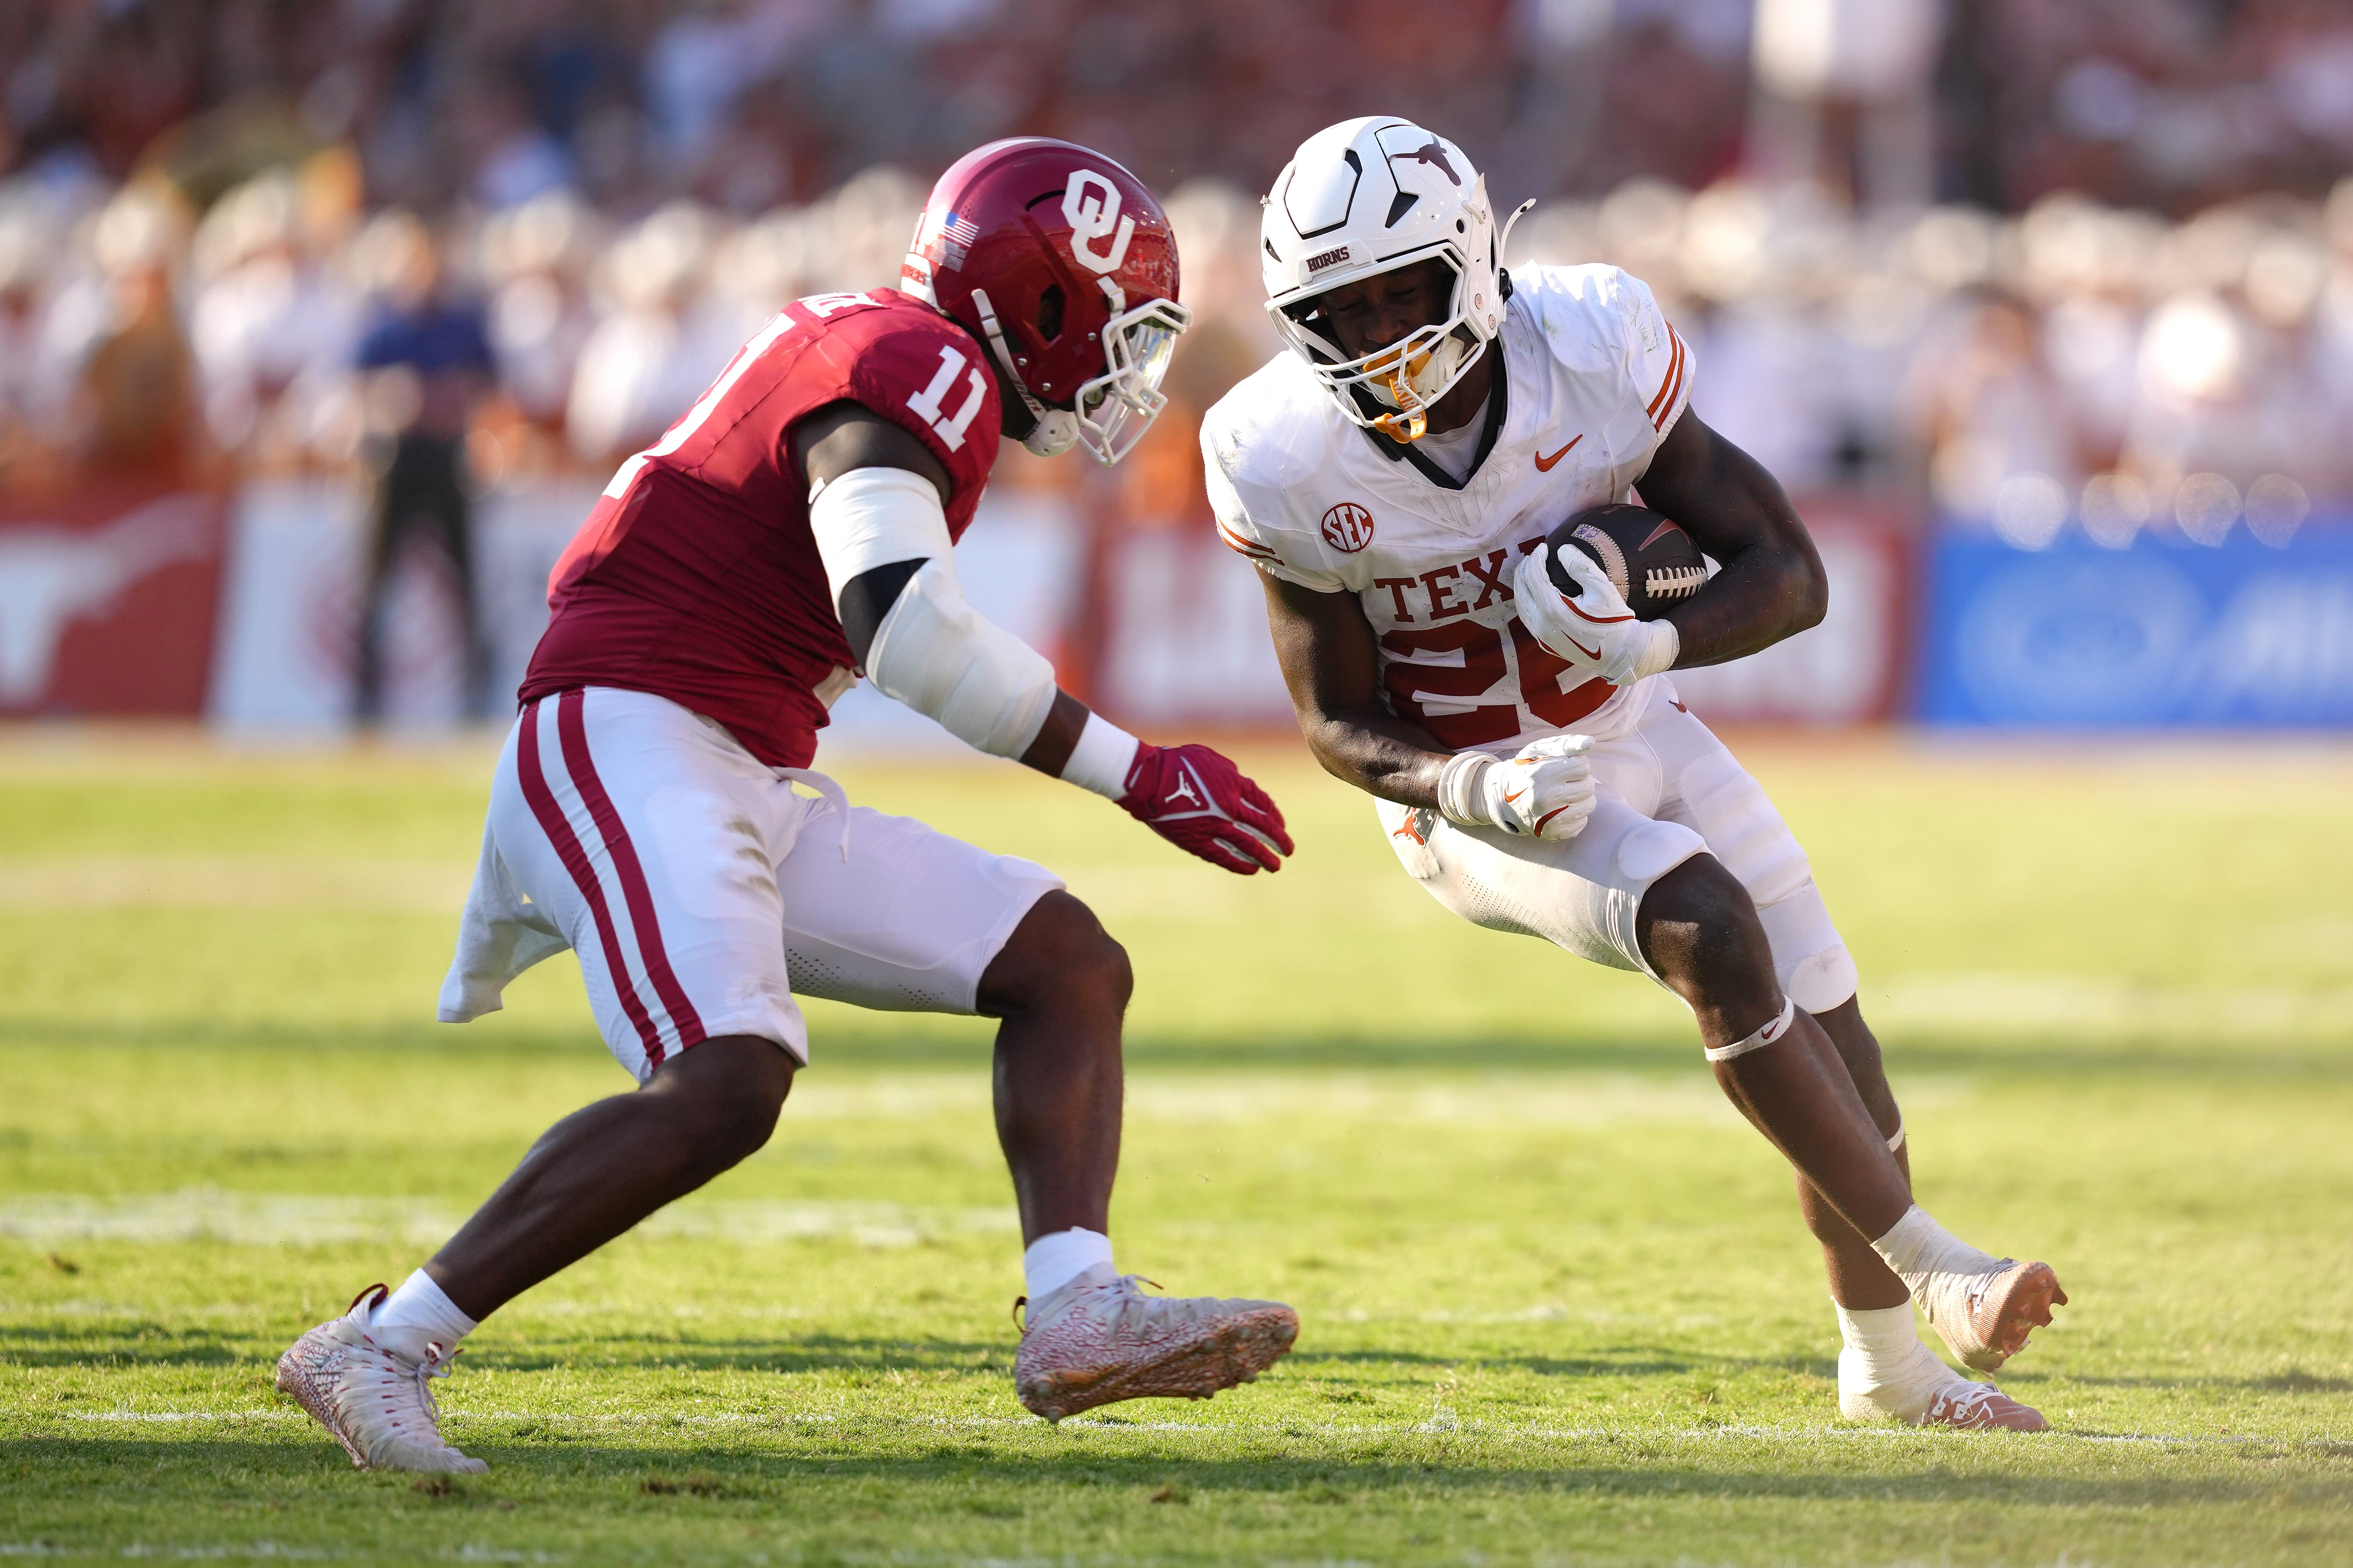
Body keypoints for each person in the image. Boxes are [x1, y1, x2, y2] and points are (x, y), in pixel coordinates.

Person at [276, 138, 1300, 1474]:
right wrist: (1133, 768)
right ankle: (384, 1338)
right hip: (632, 725)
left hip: (731, 757)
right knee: (729, 1079)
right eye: (1116, 328)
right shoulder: (916, 366)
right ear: (1041, 307)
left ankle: (1076, 1312)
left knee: (1064, 959)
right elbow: (909, 636)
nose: (1125, 368)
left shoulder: (891, 350)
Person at [1206, 117, 2065, 1432]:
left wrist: (1659, 634)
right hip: (1479, 796)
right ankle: (1943, 1271)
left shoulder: (1590, 345)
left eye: (1401, 293)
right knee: (1705, 922)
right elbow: (1337, 717)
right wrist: (1466, 790)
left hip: (1633, 713)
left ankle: (1889, 1372)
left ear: (1474, 262)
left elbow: (1789, 569)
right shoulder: (1279, 450)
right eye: (1342, 309)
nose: (1380, 336)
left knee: (1847, 1055)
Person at [350, 214, 495, 723]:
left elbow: (487, 387)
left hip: (447, 459)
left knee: (463, 578)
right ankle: (365, 696)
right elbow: (358, 391)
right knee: (377, 581)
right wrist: (393, 400)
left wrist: (451, 403)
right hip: (395, 462)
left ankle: (476, 689)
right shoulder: (384, 327)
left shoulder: (462, 324)